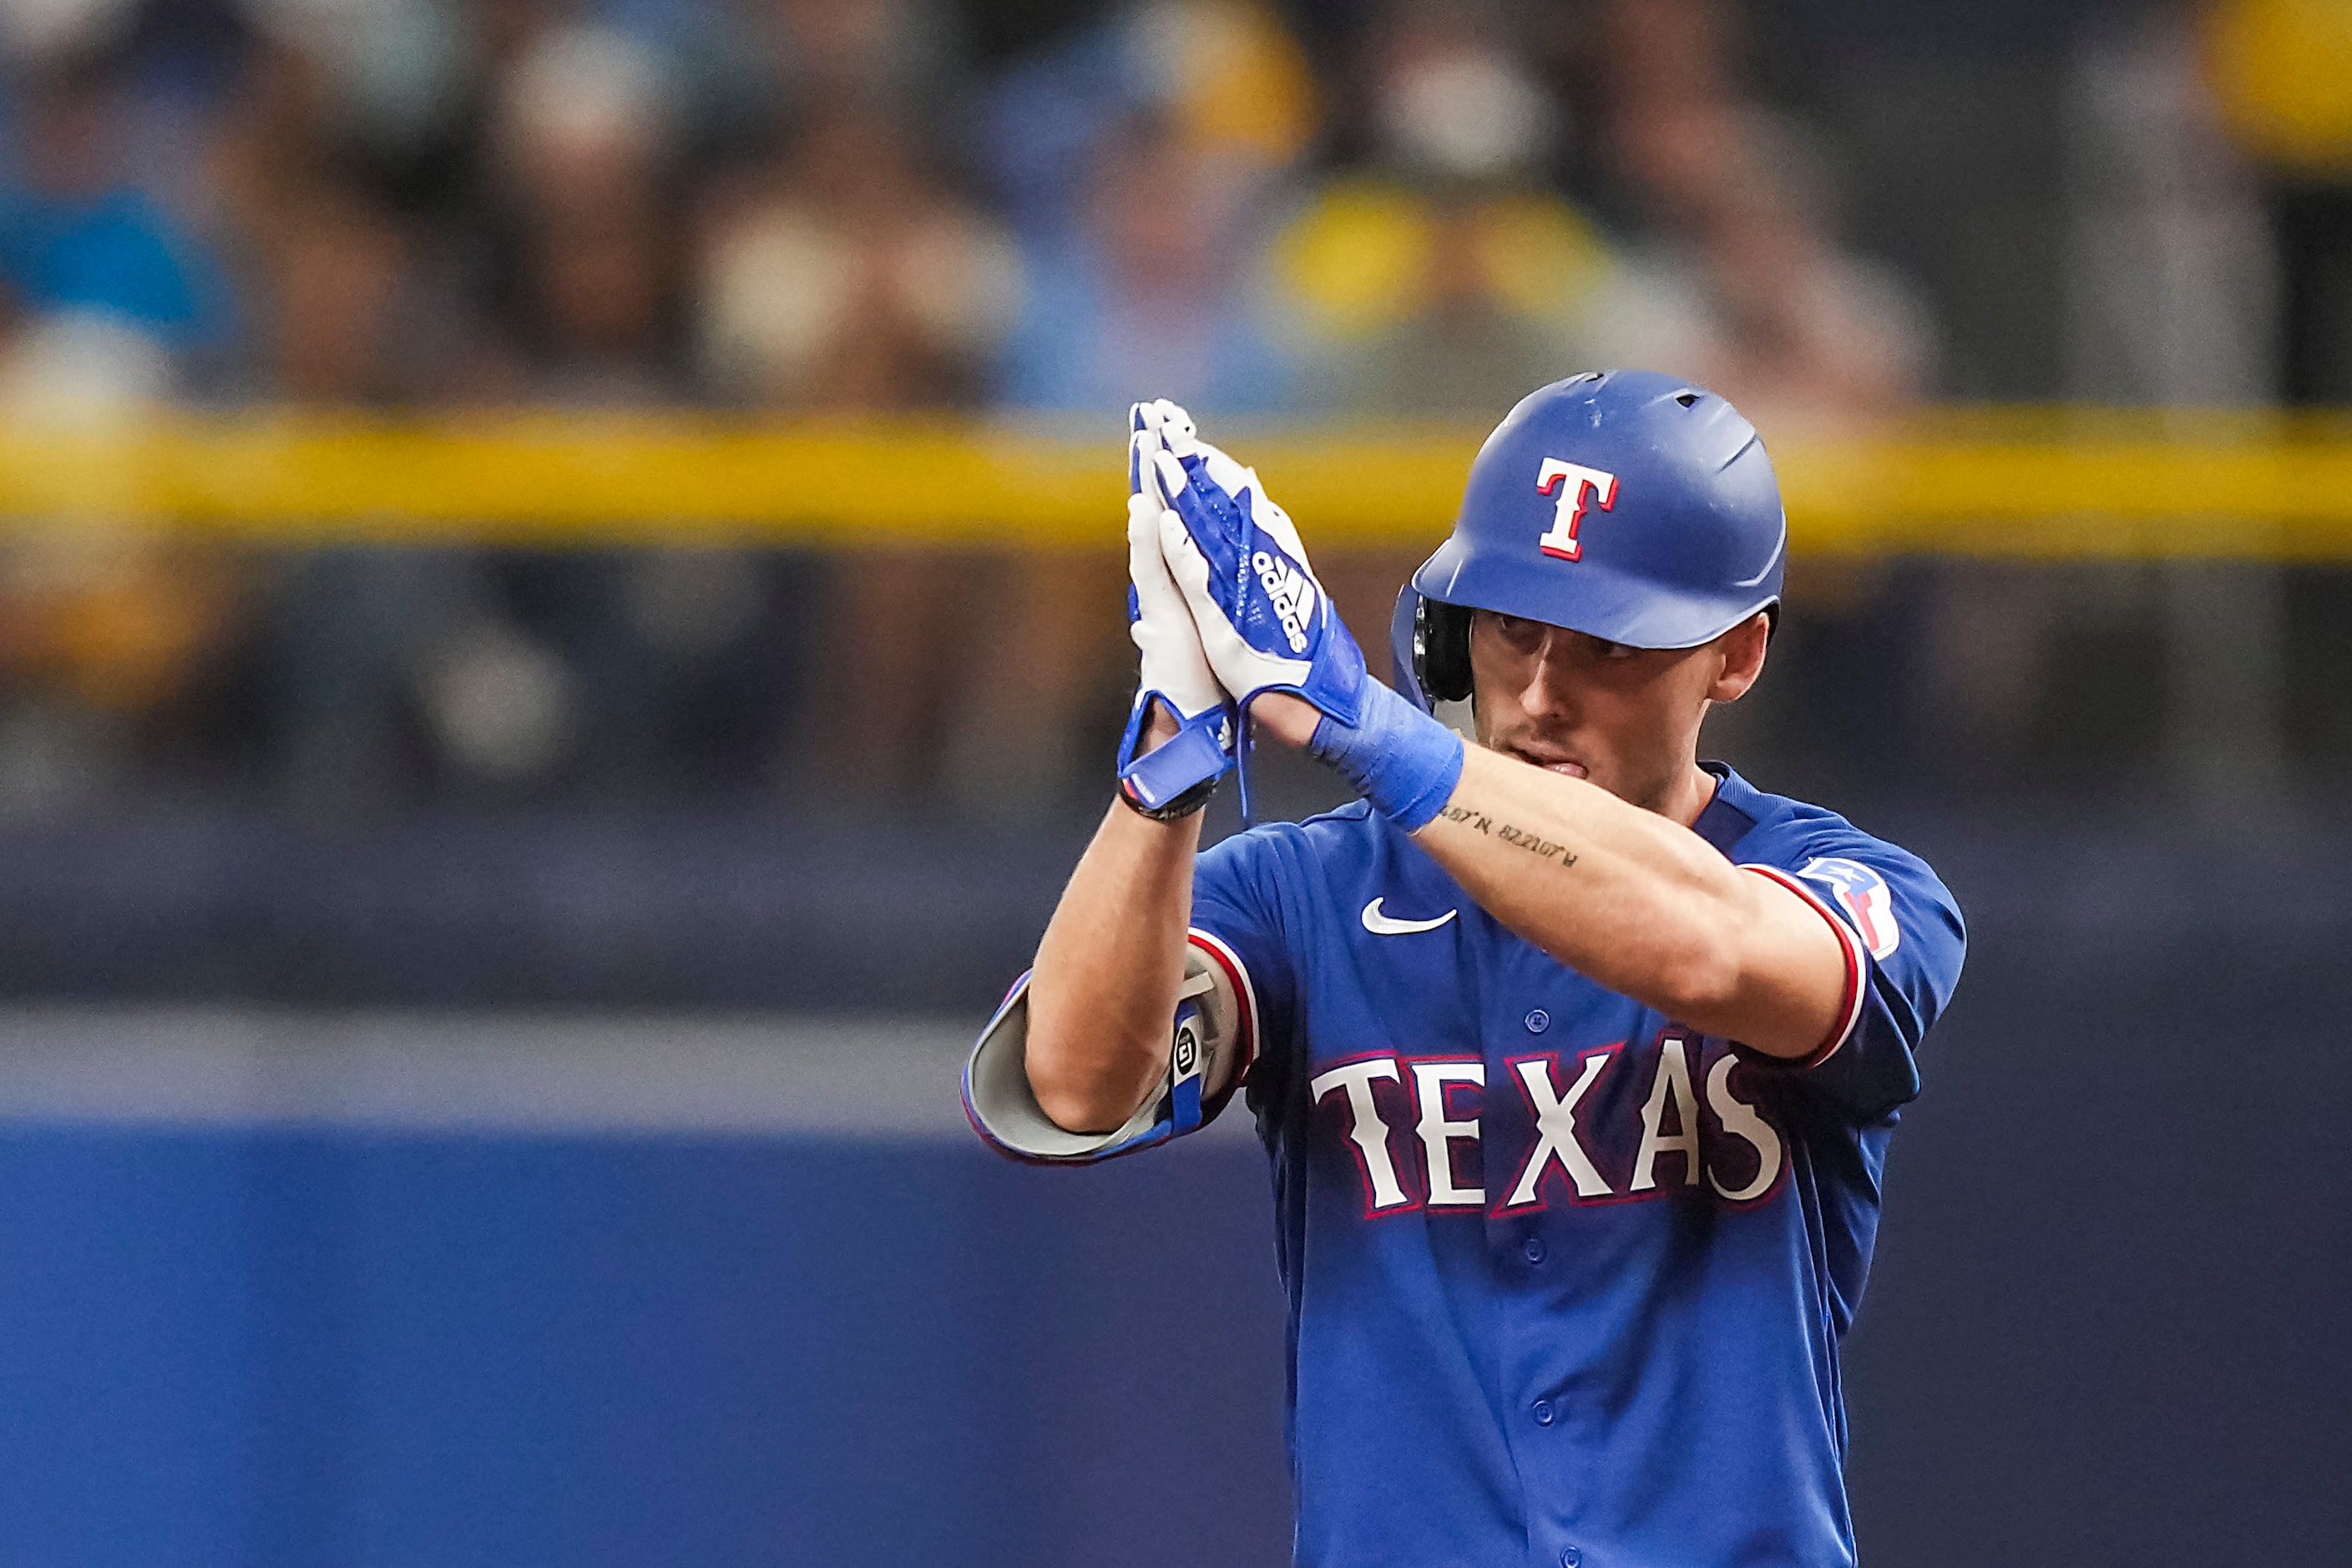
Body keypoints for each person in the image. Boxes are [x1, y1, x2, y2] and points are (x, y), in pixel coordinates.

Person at [964, 370, 1966, 1567]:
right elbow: (1073, 1082)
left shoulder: (1854, 884)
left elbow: (1713, 950)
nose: (1541, 692)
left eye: (1605, 645)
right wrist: (1168, 758)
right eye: (1510, 628)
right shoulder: (1303, 892)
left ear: (1735, 654)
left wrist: (1362, 723)